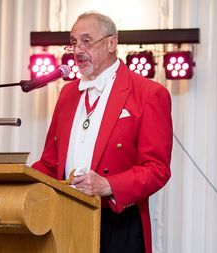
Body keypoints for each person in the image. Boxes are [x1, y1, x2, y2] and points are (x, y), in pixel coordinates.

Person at [31, 11, 173, 253]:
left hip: (120, 223)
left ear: (112, 43)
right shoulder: (67, 94)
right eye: (73, 42)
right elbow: (50, 162)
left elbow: (157, 169)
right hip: (67, 218)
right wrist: (19, 180)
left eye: (87, 41)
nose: (77, 50)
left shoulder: (149, 93)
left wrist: (108, 185)